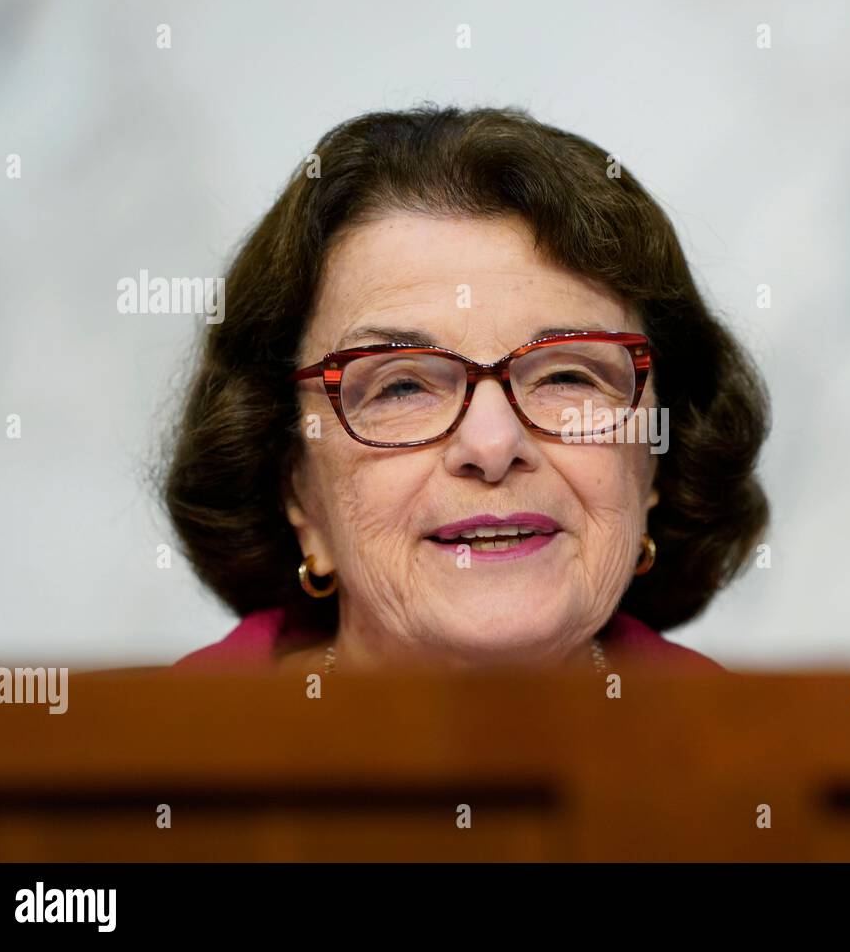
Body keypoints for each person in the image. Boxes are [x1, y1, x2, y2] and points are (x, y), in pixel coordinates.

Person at [166, 106, 768, 673]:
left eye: (566, 377)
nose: (492, 445)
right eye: (400, 387)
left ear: (657, 462)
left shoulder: (766, 764)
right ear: (295, 485)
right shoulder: (137, 768)